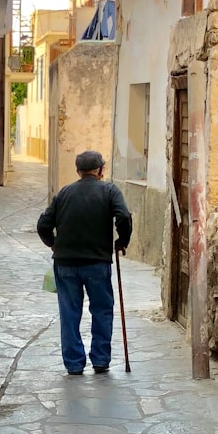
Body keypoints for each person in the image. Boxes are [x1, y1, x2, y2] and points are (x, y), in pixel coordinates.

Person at [37, 150, 132, 375]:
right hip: (97, 263)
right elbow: (124, 216)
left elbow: (43, 224)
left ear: (78, 171)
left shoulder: (64, 193)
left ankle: (73, 363)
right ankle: (100, 359)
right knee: (102, 309)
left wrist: (53, 243)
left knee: (69, 312)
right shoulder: (109, 190)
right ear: (100, 170)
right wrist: (122, 241)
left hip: (65, 263)